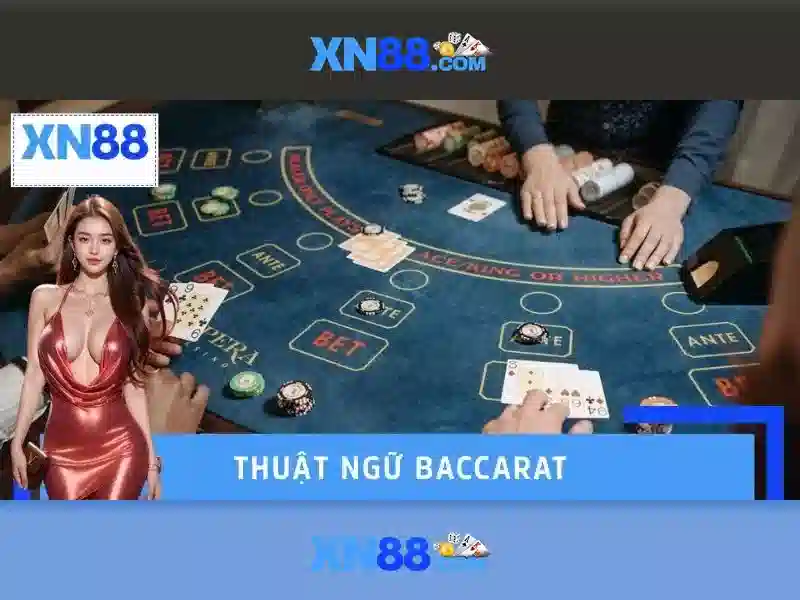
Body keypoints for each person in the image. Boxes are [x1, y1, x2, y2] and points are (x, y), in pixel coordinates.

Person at [10, 195, 179, 500]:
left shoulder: (132, 305)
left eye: (105, 240)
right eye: (84, 238)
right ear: (71, 244)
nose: (94, 249)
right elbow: (34, 374)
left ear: (116, 248)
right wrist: (17, 440)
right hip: (61, 451)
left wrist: (152, 461)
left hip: (121, 446)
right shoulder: (44, 298)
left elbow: (133, 386)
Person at [497, 100, 743, 270]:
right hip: (565, 158)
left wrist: (675, 195)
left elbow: (719, 105)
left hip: (658, 174)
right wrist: (537, 155)